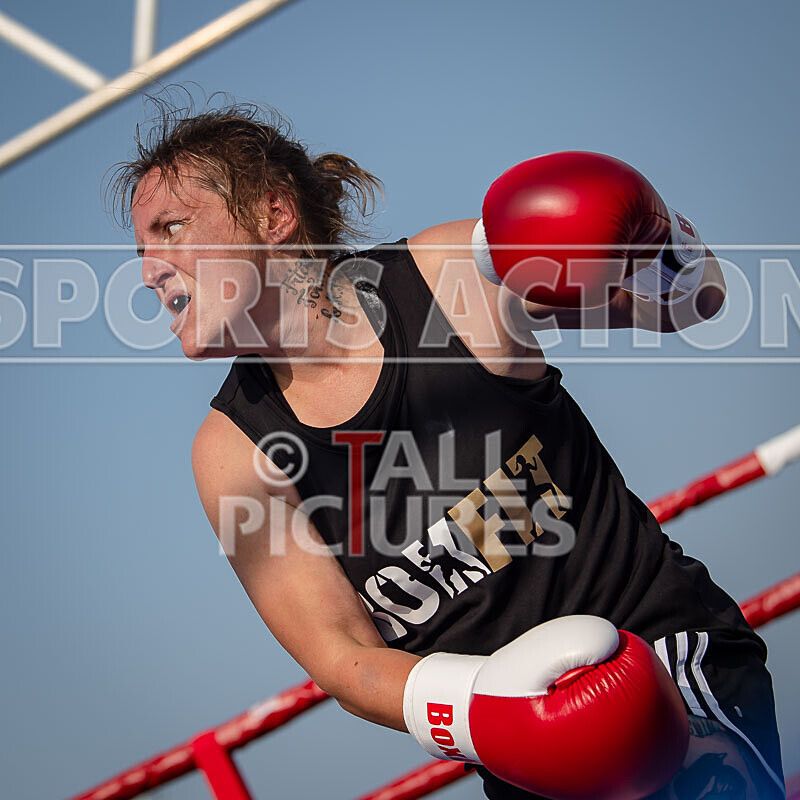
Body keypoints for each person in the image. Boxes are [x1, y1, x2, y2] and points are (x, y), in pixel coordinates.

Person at [111, 97, 785, 799]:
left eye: (173, 229)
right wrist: (488, 708)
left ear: (273, 216)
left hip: (672, 657)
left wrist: (659, 243)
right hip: (523, 751)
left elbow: (688, 303)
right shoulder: (232, 453)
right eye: (142, 250)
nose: (149, 268)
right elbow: (344, 660)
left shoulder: (445, 277)